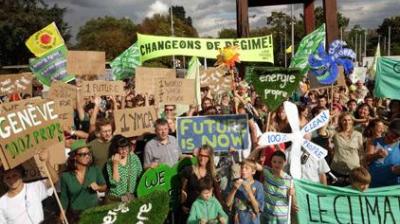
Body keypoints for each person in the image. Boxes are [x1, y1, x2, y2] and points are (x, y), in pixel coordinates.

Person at [0, 150, 59, 224]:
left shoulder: (34, 187)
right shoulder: (1, 203)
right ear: (3, 180)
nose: (12, 180)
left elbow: (54, 179)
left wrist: (46, 162)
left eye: (14, 175)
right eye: (7, 177)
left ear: (21, 174)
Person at [60, 140, 107, 222]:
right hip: (76, 215)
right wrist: (62, 213)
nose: (87, 156)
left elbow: (105, 187)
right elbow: (64, 198)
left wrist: (98, 187)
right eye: (83, 154)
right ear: (74, 156)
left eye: (88, 153)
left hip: (94, 212)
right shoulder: (66, 176)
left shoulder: (95, 169)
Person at [180, 145, 223, 223]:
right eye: (200, 155)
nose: (202, 158)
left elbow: (216, 194)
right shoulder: (189, 170)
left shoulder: (213, 174)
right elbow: (183, 190)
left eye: (205, 156)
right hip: (191, 210)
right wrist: (183, 205)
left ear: (210, 157)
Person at [262, 151, 296, 224]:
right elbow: (249, 164)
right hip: (267, 216)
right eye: (274, 161)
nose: (277, 164)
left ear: (284, 162)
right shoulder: (266, 171)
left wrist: (292, 195)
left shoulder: (289, 179)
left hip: (282, 218)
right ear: (270, 162)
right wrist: (258, 148)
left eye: (280, 162)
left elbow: (294, 205)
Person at [105, 135, 143, 203]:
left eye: (126, 148)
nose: (124, 151)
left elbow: (140, 175)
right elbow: (114, 182)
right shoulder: (111, 162)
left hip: (131, 196)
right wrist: (115, 164)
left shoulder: (134, 158)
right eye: (121, 149)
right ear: (116, 149)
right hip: (117, 198)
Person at [226, 160, 265, 224]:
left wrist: (249, 191)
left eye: (246, 168)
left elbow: (257, 209)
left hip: (252, 221)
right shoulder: (234, 183)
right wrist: (234, 189)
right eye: (242, 168)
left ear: (253, 171)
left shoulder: (258, 186)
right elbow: (227, 204)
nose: (243, 170)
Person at [331, 112, 364, 186]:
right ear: (340, 121)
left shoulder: (358, 135)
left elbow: (361, 153)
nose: (347, 122)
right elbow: (323, 132)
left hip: (354, 170)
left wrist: (363, 168)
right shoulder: (335, 134)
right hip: (337, 170)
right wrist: (331, 117)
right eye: (344, 120)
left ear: (352, 121)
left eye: (349, 120)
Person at [366, 119, 400, 187]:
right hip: (374, 185)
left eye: (398, 135)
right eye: (394, 133)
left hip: (392, 187)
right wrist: (376, 155)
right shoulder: (373, 141)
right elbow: (366, 159)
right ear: (388, 129)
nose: (395, 136)